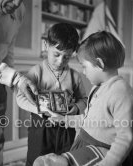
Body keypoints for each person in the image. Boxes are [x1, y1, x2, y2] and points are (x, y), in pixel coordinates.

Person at [34, 31, 133, 166]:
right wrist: (64, 120)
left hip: (106, 153)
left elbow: (125, 138)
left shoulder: (121, 93)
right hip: (87, 143)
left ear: (99, 64)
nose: (83, 71)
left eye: (84, 66)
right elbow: (88, 119)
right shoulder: (98, 87)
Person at [16, 23, 87, 166]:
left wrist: (76, 108)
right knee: (37, 160)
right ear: (46, 45)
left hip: (66, 127)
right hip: (41, 127)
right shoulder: (36, 72)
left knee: (64, 160)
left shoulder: (75, 76)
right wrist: (38, 108)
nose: (61, 61)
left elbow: (84, 99)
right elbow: (20, 98)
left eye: (66, 57)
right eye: (56, 54)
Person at [0, 0, 38, 166]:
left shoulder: (19, 10)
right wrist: (14, 78)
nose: (16, 3)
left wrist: (15, 83)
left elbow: (8, 48)